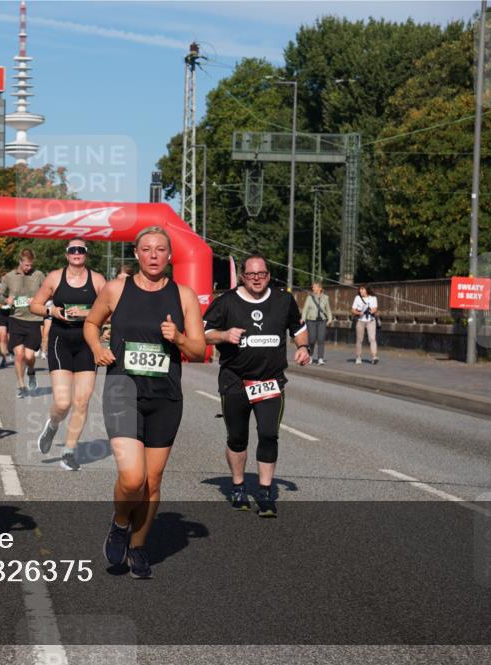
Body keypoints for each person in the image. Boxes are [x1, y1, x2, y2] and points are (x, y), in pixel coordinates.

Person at [83, 227, 205, 579]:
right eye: (147, 249)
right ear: (136, 253)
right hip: (123, 389)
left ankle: (137, 546)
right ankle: (120, 523)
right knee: (132, 477)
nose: (153, 255)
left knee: (152, 481)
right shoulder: (116, 289)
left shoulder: (184, 295)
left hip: (165, 395)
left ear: (169, 255)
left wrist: (179, 337)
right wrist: (97, 349)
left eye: (161, 250)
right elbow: (91, 324)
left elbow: (198, 350)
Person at [202, 254, 310, 518]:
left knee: (269, 434)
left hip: (270, 381)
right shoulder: (226, 302)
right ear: (242, 276)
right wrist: (224, 335)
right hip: (235, 381)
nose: (257, 279)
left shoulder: (283, 300)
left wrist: (304, 347)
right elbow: (204, 332)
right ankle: (238, 486)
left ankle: (264, 492)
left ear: (269, 275)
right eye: (251, 275)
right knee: (238, 439)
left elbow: (298, 328)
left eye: (261, 274)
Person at [30, 237, 107, 471]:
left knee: (82, 401)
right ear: (67, 254)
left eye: (81, 250)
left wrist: (87, 314)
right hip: (60, 341)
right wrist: (51, 310)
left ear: (86, 254)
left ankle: (69, 452)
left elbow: (112, 311)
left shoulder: (97, 280)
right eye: (72, 250)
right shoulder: (55, 277)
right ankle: (53, 424)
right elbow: (34, 305)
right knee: (63, 402)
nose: (77, 253)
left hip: (87, 342)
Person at [0, 249, 45, 398]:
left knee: (29, 356)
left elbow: (48, 292)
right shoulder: (9, 277)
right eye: (26, 265)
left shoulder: (39, 275)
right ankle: (21, 386)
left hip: (34, 319)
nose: (28, 268)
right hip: (16, 319)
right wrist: (6, 300)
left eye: (30, 265)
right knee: (18, 355)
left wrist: (38, 300)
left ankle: (30, 371)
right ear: (20, 262)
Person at [301, 281, 333, 365]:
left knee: (321, 339)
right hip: (311, 321)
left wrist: (330, 319)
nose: (313, 289)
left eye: (315, 287)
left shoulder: (326, 298)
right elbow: (305, 309)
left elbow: (328, 309)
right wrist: (303, 318)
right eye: (313, 287)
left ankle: (320, 358)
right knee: (311, 340)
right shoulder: (309, 298)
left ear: (320, 288)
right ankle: (310, 356)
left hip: (322, 321)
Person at [352, 284, 379, 365]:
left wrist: (370, 311)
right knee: (359, 339)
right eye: (360, 289)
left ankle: (374, 357)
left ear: (367, 290)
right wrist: (359, 313)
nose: (361, 291)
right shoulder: (357, 298)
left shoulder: (373, 298)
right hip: (360, 320)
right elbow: (353, 310)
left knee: (372, 339)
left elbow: (375, 309)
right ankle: (358, 357)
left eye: (362, 289)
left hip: (371, 320)